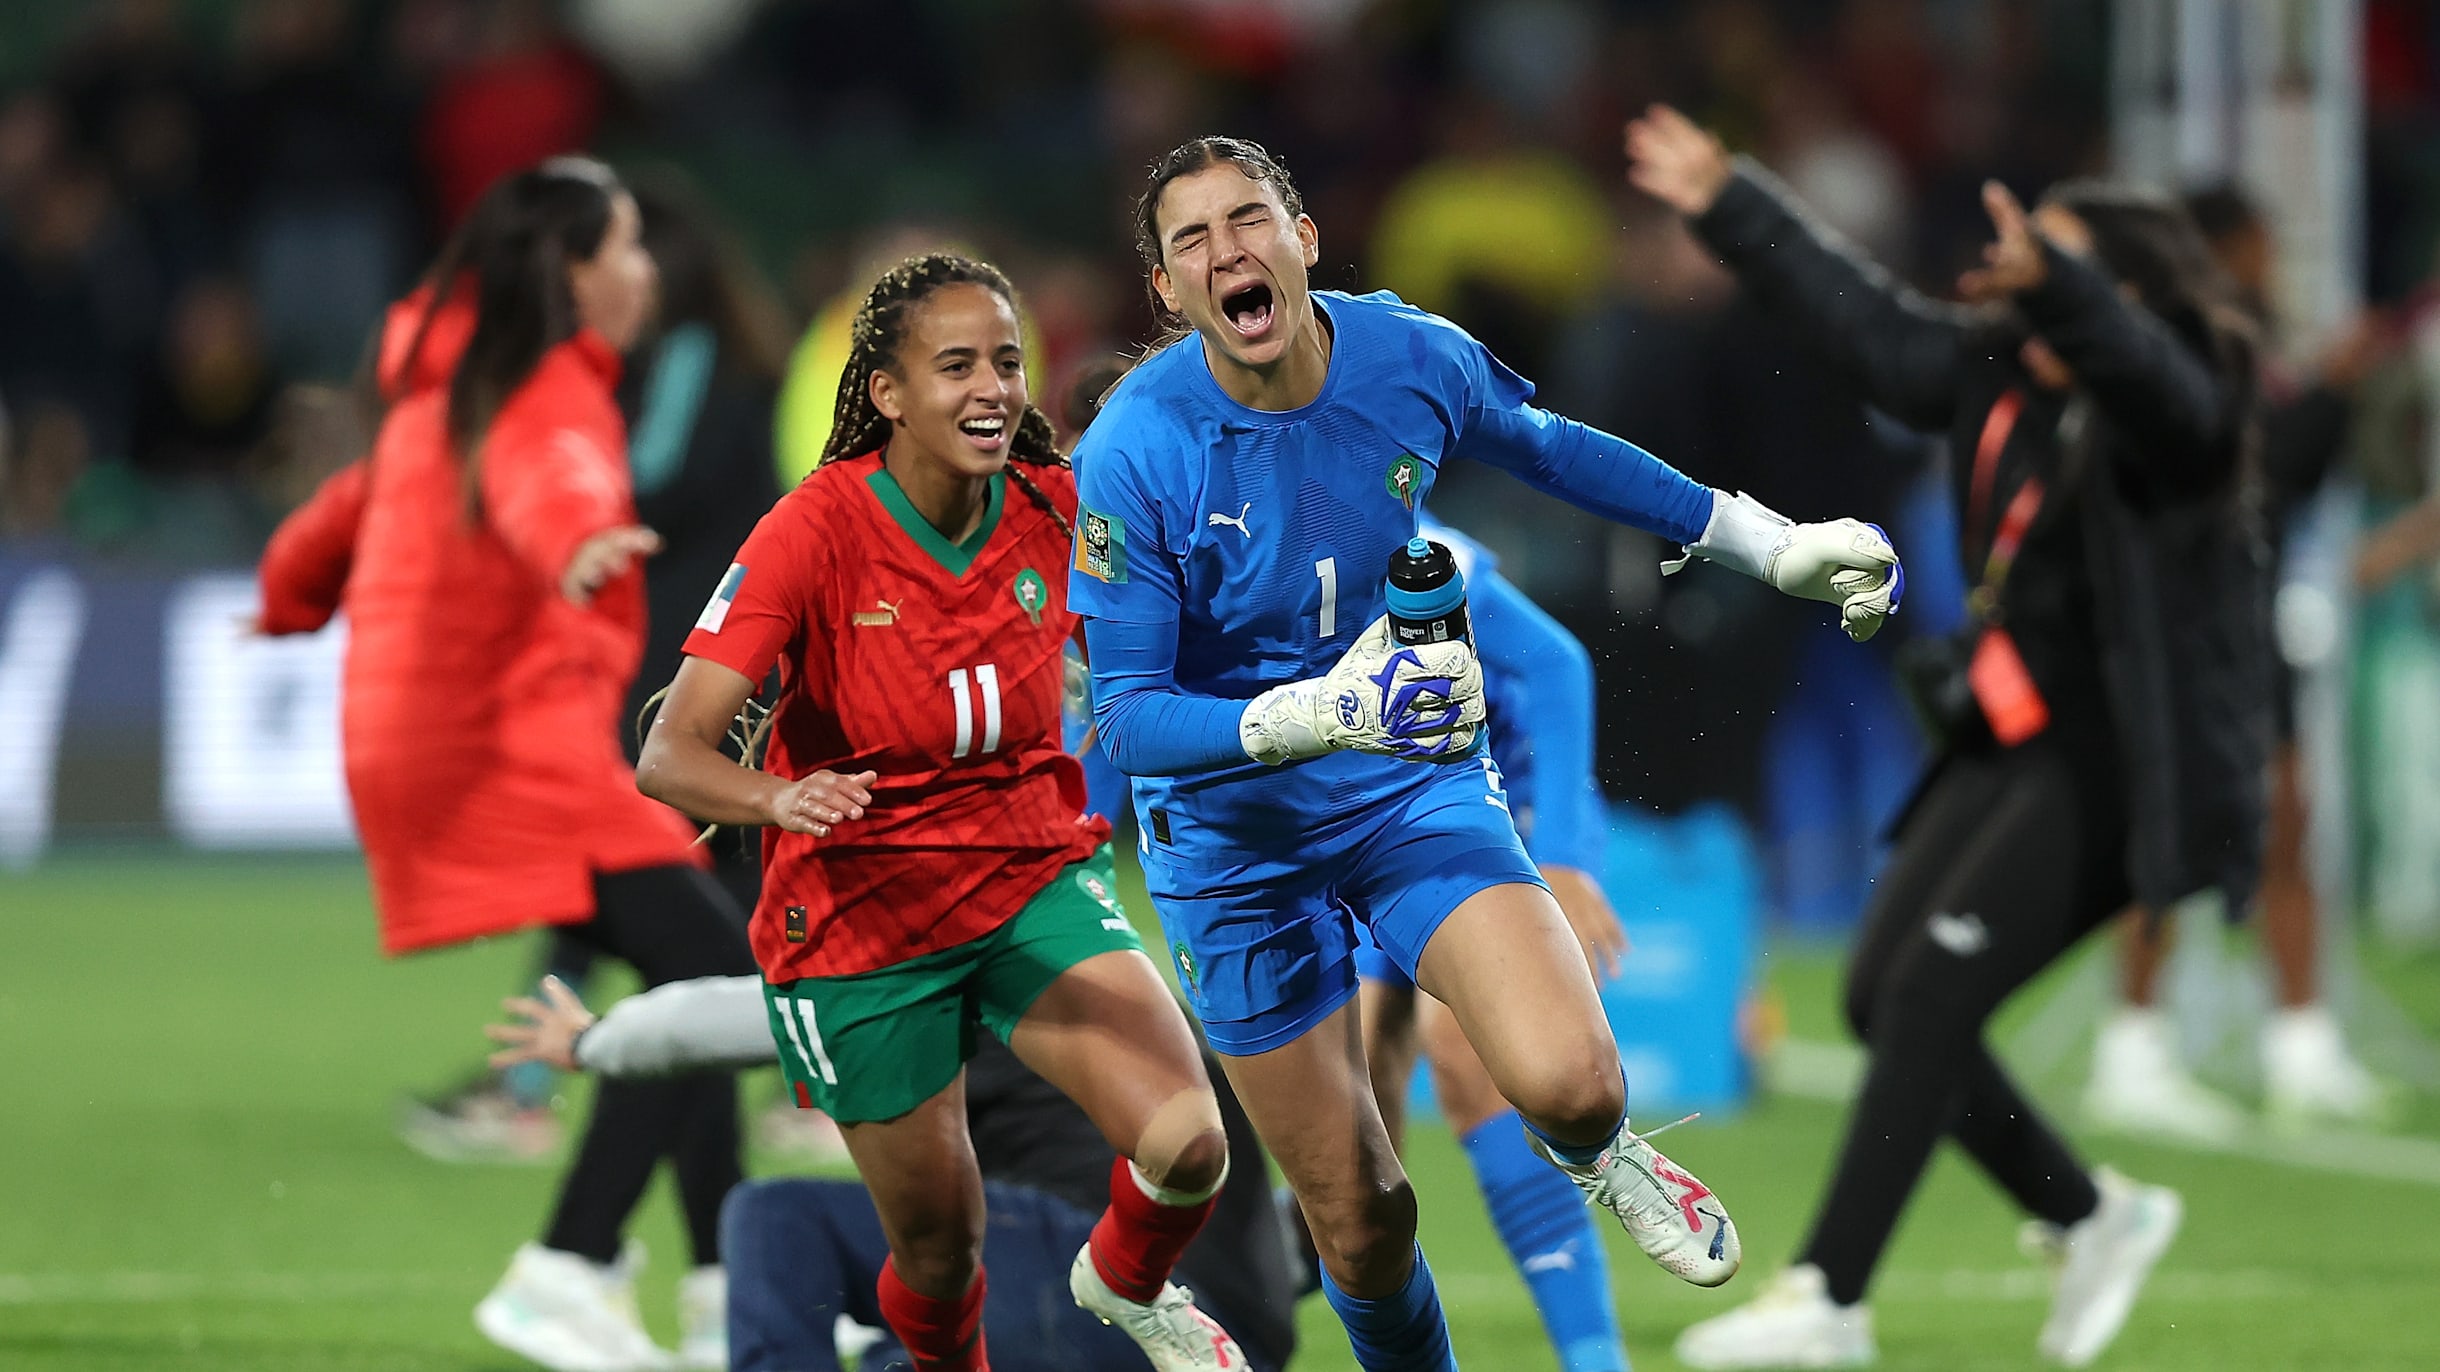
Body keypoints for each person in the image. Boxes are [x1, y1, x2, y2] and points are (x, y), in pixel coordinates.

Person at [1071, 134, 1903, 1371]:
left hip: (1401, 789)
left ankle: (1603, 1153)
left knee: (1568, 1080)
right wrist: (1307, 716)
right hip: (1232, 846)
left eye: (1246, 219)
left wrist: (1765, 542)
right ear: (1168, 293)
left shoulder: (1408, 355)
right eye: (1189, 240)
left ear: (1301, 239)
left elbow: (1560, 452)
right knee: (1359, 1222)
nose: (1224, 251)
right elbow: (1128, 719)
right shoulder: (1134, 452)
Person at [1626, 105, 2265, 1368]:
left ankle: (1829, 1299)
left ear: (2121, 295)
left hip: (2119, 765)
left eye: (2057, 260)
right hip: (2005, 742)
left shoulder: (2173, 406)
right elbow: (1861, 319)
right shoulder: (1992, 372)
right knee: (1881, 995)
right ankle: (2092, 1215)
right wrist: (1730, 202)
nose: (2016, 269)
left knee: (1928, 989)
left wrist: (2074, 298)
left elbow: (2165, 388)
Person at [634, 253, 1243, 1372]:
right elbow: (669, 754)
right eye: (955, 364)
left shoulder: (1058, 511)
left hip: (1027, 881)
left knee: (1189, 1143)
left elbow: (1180, 605)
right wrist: (778, 793)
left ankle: (1125, 1280)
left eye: (1008, 363)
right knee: (938, 1255)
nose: (992, 389)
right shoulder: (812, 530)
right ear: (888, 393)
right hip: (862, 922)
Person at [253, 157, 754, 1372]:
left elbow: (339, 515)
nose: (647, 272)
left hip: (428, 738)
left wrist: (285, 597)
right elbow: (557, 482)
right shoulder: (546, 393)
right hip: (503, 748)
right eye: (627, 247)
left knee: (695, 982)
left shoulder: (447, 388)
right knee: (717, 977)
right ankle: (570, 1265)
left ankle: (726, 1293)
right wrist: (584, 541)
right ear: (572, 274)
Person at [483, 973, 1301, 1372]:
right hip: (1223, 1338)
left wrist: (594, 1041)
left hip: (1091, 1288)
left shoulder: (957, 952)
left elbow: (750, 1018)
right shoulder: (1120, 970)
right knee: (900, 1338)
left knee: (777, 1217)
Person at [2083, 184, 2394, 1139]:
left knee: (2284, 823)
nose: (2270, 264)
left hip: (2243, 618)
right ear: (2221, 251)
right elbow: (2253, 473)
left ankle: (2299, 1048)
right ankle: (2131, 1050)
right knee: (2160, 839)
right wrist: (2336, 391)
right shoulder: (2180, 353)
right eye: (2257, 246)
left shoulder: (2240, 345)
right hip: (2177, 621)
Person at [1351, 517, 1636, 1372]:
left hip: (1490, 796)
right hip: (1361, 815)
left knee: (1469, 1058)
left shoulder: (1399, 537)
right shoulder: (1184, 554)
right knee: (1355, 1108)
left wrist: (1567, 859)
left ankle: (1596, 1359)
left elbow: (1554, 664)